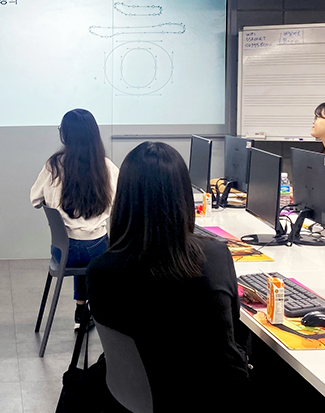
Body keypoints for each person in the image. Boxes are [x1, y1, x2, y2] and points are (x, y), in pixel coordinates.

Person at [87, 142, 249, 412]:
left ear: (123, 198)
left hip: (133, 399)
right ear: (183, 196)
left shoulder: (100, 271)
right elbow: (232, 334)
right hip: (209, 398)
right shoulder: (214, 257)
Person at [30, 109, 119, 329]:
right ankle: (90, 312)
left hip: (63, 253)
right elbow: (121, 201)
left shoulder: (54, 165)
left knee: (78, 247)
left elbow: (34, 199)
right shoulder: (106, 166)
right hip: (97, 251)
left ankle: (81, 310)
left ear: (65, 135)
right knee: (95, 252)